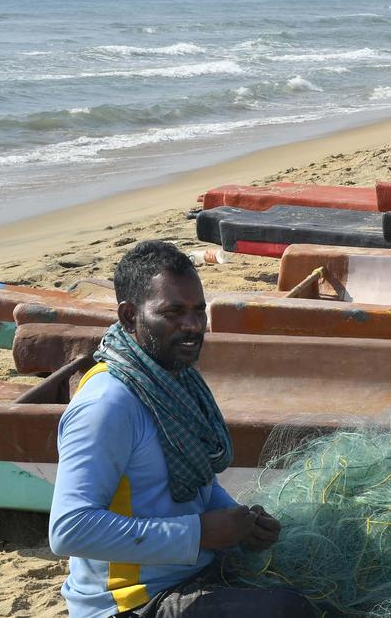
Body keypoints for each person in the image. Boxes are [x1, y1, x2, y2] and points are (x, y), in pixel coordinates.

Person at [48, 241, 315, 618]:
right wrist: (200, 534)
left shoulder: (177, 380)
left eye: (198, 311)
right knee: (288, 611)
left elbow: (192, 486)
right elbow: (69, 530)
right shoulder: (108, 405)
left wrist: (241, 523)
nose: (192, 325)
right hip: (132, 602)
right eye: (173, 312)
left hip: (195, 573)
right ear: (129, 317)